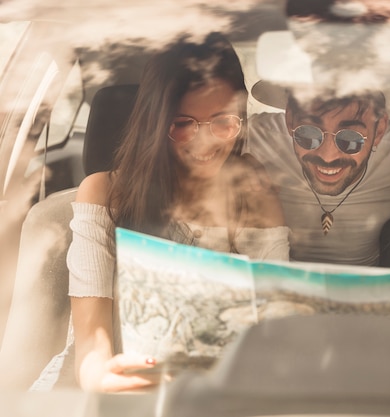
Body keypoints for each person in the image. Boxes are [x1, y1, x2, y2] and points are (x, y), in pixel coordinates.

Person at [34, 33, 289, 393]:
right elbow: (92, 348)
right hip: (110, 390)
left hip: (214, 392)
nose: (205, 142)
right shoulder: (106, 194)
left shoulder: (255, 200)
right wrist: (104, 377)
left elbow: (274, 327)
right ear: (155, 123)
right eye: (182, 124)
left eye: (223, 123)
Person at [246, 0, 390, 266]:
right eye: (308, 134)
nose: (328, 156)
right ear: (289, 120)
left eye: (349, 139)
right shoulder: (253, 140)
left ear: (379, 130)